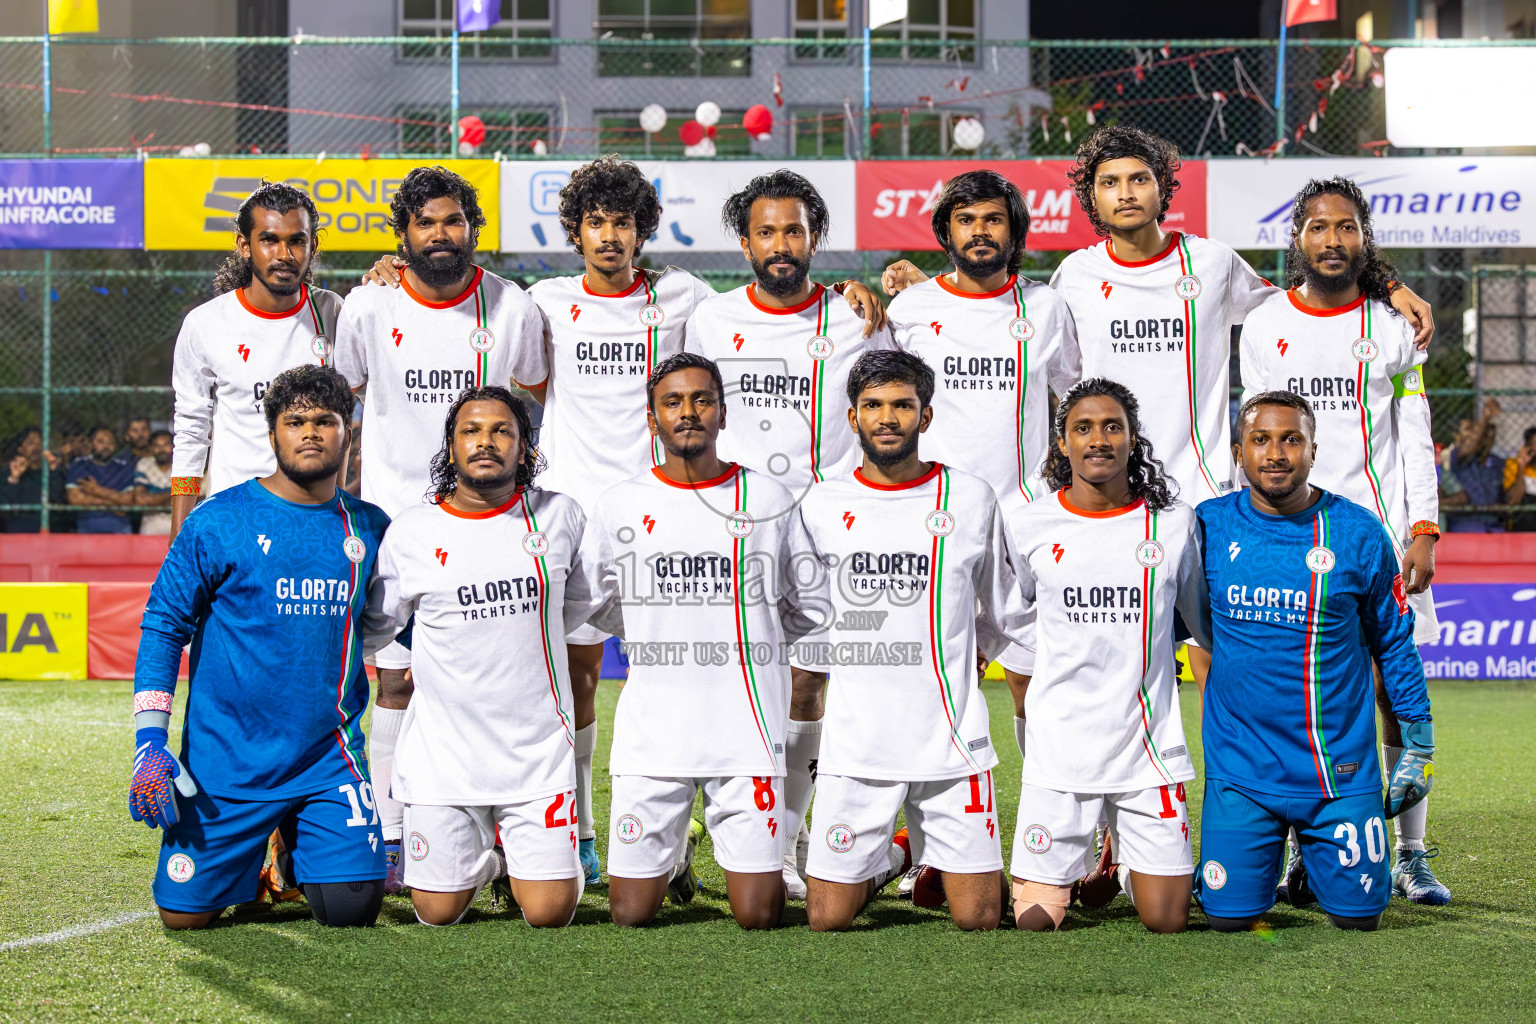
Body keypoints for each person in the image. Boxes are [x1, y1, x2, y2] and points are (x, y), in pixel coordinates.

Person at [332, 164, 548, 892]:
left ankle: (508, 833)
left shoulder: (509, 307)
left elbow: (538, 400)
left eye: (452, 221)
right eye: (425, 223)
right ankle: (391, 835)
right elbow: (346, 400)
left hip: (492, 524)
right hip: (401, 529)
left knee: (494, 682)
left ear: (473, 231)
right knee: (394, 684)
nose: (440, 234)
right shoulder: (367, 308)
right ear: (403, 237)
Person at [683, 168, 893, 901]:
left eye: (795, 230)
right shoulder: (709, 320)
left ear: (815, 238)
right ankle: (693, 826)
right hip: (735, 526)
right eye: (766, 231)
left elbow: (884, 408)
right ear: (744, 241)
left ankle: (785, 838)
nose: (781, 244)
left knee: (809, 681)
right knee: (725, 676)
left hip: (824, 531)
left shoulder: (855, 318)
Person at [1238, 176, 1448, 905]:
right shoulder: (1266, 326)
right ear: (1298, 237)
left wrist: (1423, 530)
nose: (1334, 240)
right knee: (1304, 699)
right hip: (1294, 538)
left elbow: (1415, 439)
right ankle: (1306, 852)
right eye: (1320, 227)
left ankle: (1412, 854)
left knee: (1396, 692)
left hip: (1382, 540)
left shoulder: (1394, 327)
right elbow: (1256, 436)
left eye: (1347, 227)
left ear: (1364, 238)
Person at [129, 365, 393, 929]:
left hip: (329, 762)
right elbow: (162, 626)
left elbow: (410, 621)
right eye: (295, 421)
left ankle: (299, 848)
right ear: (272, 433)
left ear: (348, 432)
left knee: (352, 910)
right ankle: (250, 852)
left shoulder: (372, 528)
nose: (311, 432)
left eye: (326, 421)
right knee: (184, 918)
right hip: (226, 766)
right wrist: (149, 741)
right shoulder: (217, 521)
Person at [586, 352, 824, 928]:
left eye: (701, 400)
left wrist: (755, 631)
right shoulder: (621, 502)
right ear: (651, 418)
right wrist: (652, 627)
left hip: (744, 733)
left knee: (758, 915)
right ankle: (671, 860)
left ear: (722, 413)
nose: (687, 412)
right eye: (672, 401)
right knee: (630, 915)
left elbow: (808, 605)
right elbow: (593, 602)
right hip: (654, 734)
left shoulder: (769, 499)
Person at [796, 350, 1027, 932]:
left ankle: (945, 857)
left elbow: (1002, 611)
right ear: (852, 418)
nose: (887, 417)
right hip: (858, 743)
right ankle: (892, 856)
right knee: (826, 919)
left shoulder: (970, 498)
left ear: (925, 416)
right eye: (872, 406)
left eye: (902, 405)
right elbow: (806, 617)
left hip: (951, 741)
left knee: (980, 919)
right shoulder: (821, 503)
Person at [1196, 392, 1434, 932]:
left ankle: (1315, 856)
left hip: (1337, 773)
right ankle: (1250, 857)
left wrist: (1419, 739)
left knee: (1359, 916)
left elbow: (1395, 642)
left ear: (1313, 449)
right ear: (1238, 452)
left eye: (1290, 439)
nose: (1275, 452)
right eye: (1261, 440)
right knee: (1229, 918)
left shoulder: (1358, 531)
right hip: (1242, 771)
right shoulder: (1207, 527)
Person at [366, 386, 601, 928]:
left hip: (536, 755)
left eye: (502, 431)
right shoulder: (413, 532)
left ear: (525, 448)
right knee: (436, 913)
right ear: (450, 449)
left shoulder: (560, 516)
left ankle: (520, 862)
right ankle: (494, 858)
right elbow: (378, 625)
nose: (485, 442)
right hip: (445, 759)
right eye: (470, 431)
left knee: (549, 914)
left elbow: (580, 604)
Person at [1000, 378, 1210, 934]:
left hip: (1148, 751)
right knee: (1035, 923)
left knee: (1166, 921)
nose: (1098, 439)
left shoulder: (1173, 523)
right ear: (1061, 443)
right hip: (1059, 752)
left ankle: (1118, 857)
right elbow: (1012, 610)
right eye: (1083, 428)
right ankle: (1059, 866)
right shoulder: (1028, 523)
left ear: (1132, 439)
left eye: (1112, 426)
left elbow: (1194, 620)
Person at [885, 169, 1080, 515]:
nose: (979, 231)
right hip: (930, 507)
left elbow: (1077, 396)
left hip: (1022, 512)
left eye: (993, 219)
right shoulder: (911, 307)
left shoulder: (1046, 306)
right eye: (965, 219)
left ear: (1015, 231)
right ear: (947, 231)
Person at [169, 181, 341, 540]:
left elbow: (357, 413)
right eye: (269, 240)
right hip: (236, 524)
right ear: (244, 246)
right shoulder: (206, 324)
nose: (284, 254)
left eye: (297, 240)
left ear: (313, 245)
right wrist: (179, 536)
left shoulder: (336, 314)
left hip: (316, 522)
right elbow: (191, 432)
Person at [1444, 400, 1505, 532]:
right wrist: (1485, 416)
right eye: (1469, 430)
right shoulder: (1458, 456)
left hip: (1493, 524)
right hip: (1467, 523)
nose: (1475, 434)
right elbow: (1470, 445)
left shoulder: (1496, 462)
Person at [66, 426, 136, 534]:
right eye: (100, 442)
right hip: (87, 530)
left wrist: (96, 490)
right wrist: (116, 504)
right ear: (90, 443)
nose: (106, 446)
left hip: (120, 530)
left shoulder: (124, 467)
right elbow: (76, 499)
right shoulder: (79, 465)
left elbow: (129, 501)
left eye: (110, 443)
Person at [1, 427, 45, 532]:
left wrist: (54, 469)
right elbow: (4, 509)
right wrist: (14, 478)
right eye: (31, 443)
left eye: (40, 444)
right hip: (17, 533)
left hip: (47, 533)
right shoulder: (7, 473)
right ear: (20, 449)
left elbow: (57, 502)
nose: (36, 448)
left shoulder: (50, 473)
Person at [134, 430, 175, 535]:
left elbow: (197, 498)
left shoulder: (182, 466)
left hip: (178, 525)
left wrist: (155, 498)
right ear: (151, 448)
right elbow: (141, 499)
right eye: (157, 446)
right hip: (151, 525)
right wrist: (177, 494)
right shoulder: (144, 464)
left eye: (166, 445)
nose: (161, 450)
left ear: (174, 446)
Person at [1502, 426, 1536, 531]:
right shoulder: (1513, 464)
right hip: (1522, 525)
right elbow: (1513, 500)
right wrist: (1521, 466)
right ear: (1528, 447)